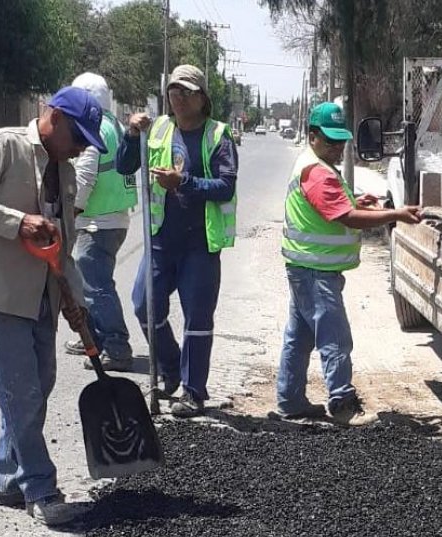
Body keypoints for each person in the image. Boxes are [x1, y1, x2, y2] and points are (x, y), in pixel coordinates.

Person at [0, 86, 107, 527]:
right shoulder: (0, 146)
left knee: (39, 385)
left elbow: (63, 245)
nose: (82, 147)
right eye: (79, 136)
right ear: (54, 118)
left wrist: (77, 301)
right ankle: (41, 488)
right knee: (22, 393)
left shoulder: (65, 172)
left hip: (42, 297)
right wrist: (17, 222)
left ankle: (7, 481)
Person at [271, 102, 422, 421]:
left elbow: (336, 205)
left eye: (341, 141)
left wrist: (356, 199)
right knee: (334, 337)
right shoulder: (318, 172)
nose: (338, 148)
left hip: (306, 268)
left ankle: (290, 401)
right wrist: (395, 214)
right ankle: (342, 401)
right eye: (331, 141)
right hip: (316, 271)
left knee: (299, 337)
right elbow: (348, 218)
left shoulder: (313, 165)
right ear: (312, 136)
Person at [116, 65, 239, 416]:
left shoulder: (218, 136)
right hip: (161, 241)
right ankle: (169, 366)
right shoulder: (158, 130)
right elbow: (126, 167)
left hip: (200, 244)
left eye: (187, 91)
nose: (179, 97)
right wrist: (129, 135)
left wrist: (183, 182)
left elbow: (225, 185)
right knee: (143, 304)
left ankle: (193, 391)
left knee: (197, 320)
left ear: (203, 98)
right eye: (174, 90)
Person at [63, 72, 137, 372]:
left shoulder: (94, 129)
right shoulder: (116, 126)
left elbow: (84, 177)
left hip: (96, 222)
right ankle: (91, 337)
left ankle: (117, 347)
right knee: (87, 283)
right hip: (115, 219)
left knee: (96, 286)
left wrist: (71, 213)